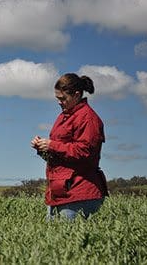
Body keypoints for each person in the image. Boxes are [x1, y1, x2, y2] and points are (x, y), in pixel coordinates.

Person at [31, 73, 108, 220]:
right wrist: (42, 148)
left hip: (79, 191)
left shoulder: (88, 118)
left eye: (63, 98)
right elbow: (61, 155)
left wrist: (52, 145)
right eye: (57, 99)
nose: (59, 102)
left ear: (77, 95)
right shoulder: (63, 117)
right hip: (60, 191)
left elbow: (85, 152)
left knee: (69, 241)